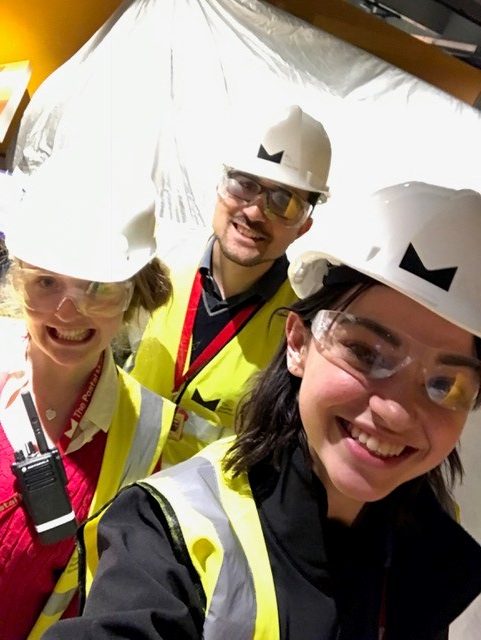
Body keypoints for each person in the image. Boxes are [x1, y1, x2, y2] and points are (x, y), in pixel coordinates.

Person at [45, 181, 481, 640]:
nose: (395, 411)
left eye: (444, 384)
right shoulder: (171, 534)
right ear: (297, 343)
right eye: (365, 352)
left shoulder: (430, 546)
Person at [0, 159, 181, 640]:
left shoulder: (146, 434)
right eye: (47, 282)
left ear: (132, 293)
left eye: (98, 289)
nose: (68, 312)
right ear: (20, 280)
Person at [127, 103, 332, 467]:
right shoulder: (158, 262)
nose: (253, 211)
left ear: (303, 226)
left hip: (189, 517)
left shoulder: (301, 331)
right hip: (108, 482)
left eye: (283, 202)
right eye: (244, 185)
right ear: (220, 187)